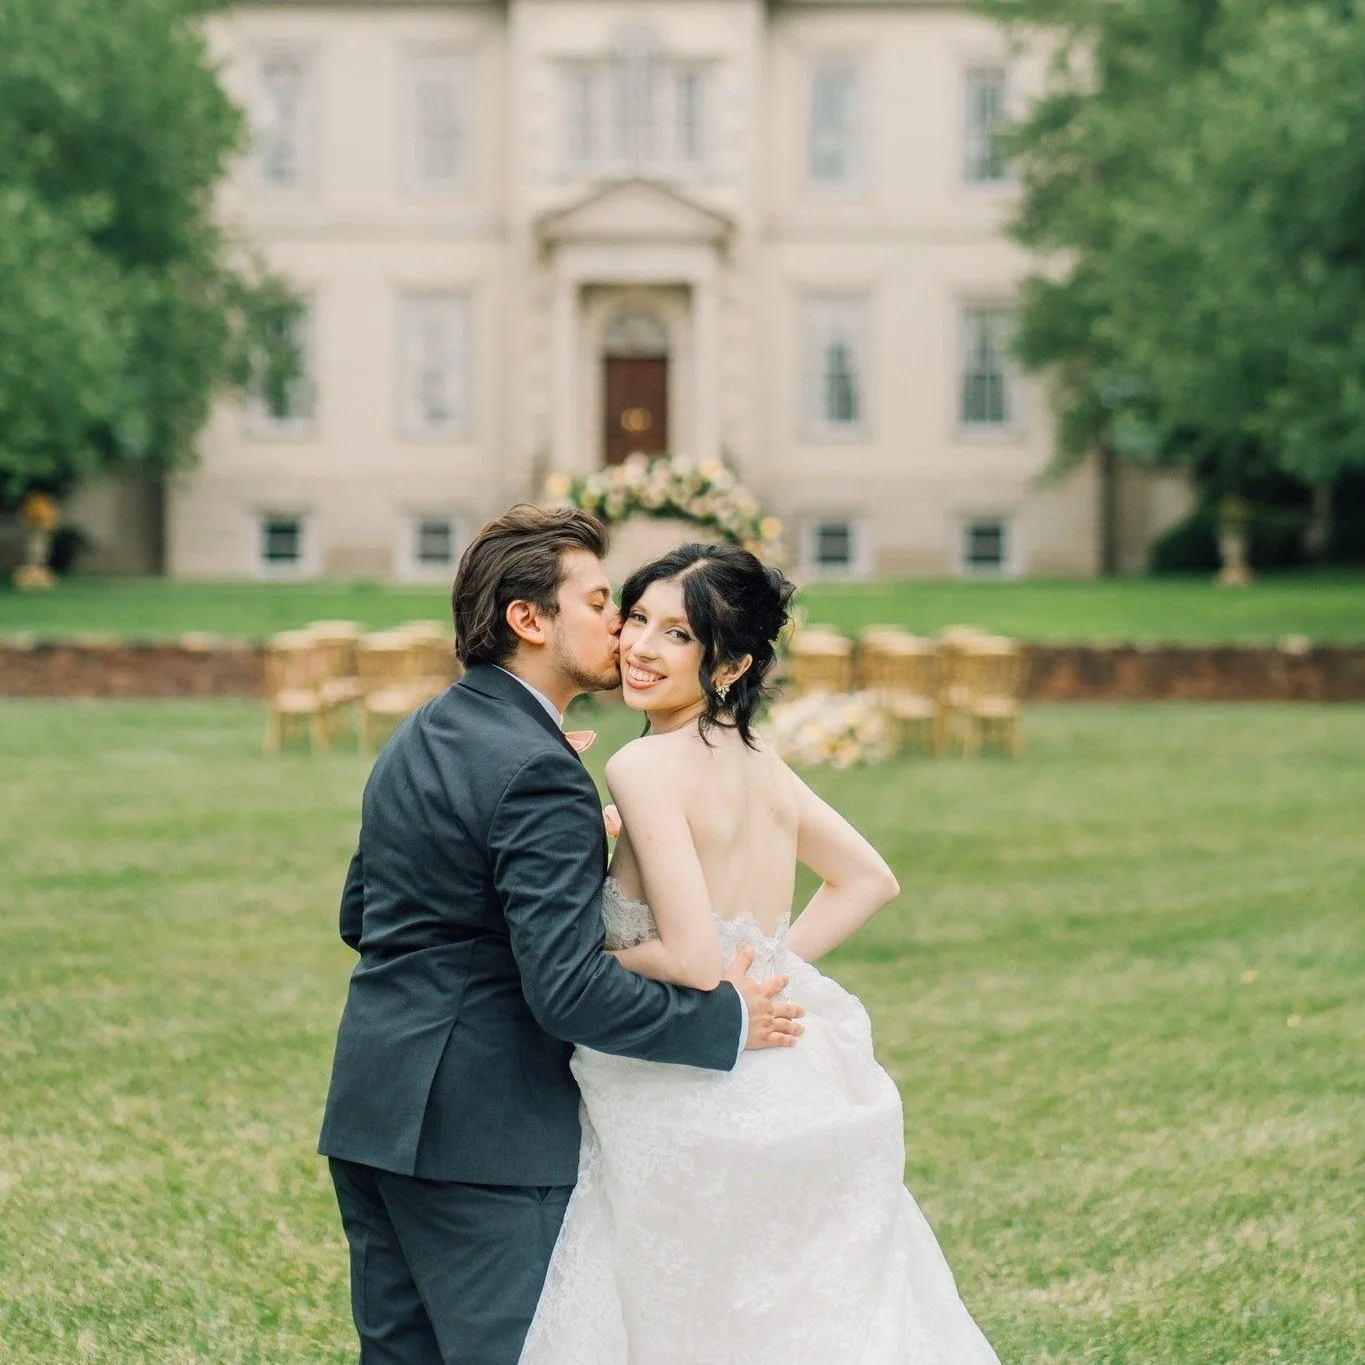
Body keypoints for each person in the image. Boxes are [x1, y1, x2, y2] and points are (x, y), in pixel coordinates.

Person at [318, 507, 805, 1365]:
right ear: (528, 619)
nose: (618, 624)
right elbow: (567, 988)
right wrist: (721, 1020)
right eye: (597, 602)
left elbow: (361, 916)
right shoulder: (541, 769)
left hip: (371, 1111)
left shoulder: (420, 731)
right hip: (482, 1140)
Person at [519, 542, 1001, 1365]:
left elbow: (696, 958)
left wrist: (585, 953)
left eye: (676, 635)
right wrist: (772, 969)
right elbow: (865, 880)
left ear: (731, 662)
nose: (637, 646)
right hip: (783, 1069)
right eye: (636, 617)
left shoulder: (640, 764)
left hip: (679, 1082)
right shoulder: (763, 764)